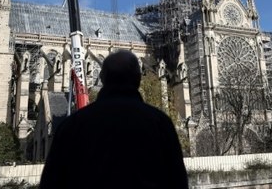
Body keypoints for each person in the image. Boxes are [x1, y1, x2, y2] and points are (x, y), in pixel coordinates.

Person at [40, 49, 189, 189]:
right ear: (138, 79)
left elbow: (51, 182)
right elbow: (179, 182)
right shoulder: (161, 124)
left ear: (102, 77)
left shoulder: (71, 126)